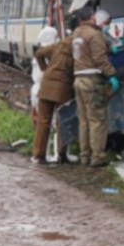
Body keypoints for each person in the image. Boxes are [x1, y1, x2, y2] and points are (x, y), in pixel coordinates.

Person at [71, 7, 119, 168]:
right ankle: (97, 157)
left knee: (83, 121)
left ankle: (85, 156)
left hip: (78, 79)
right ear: (91, 18)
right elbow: (99, 59)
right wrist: (112, 75)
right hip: (92, 80)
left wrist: (108, 49)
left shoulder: (76, 33)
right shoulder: (94, 34)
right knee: (97, 120)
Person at [34, 26, 75, 165]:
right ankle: (61, 154)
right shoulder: (75, 52)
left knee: (43, 122)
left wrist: (44, 69)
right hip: (63, 89)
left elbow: (39, 53)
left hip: (46, 87)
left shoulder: (56, 47)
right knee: (63, 121)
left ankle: (39, 156)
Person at [29, 27, 60, 163]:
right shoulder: (52, 52)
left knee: (43, 124)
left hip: (37, 91)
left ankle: (42, 155)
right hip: (47, 91)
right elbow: (44, 75)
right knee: (55, 123)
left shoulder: (39, 53)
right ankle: (55, 153)